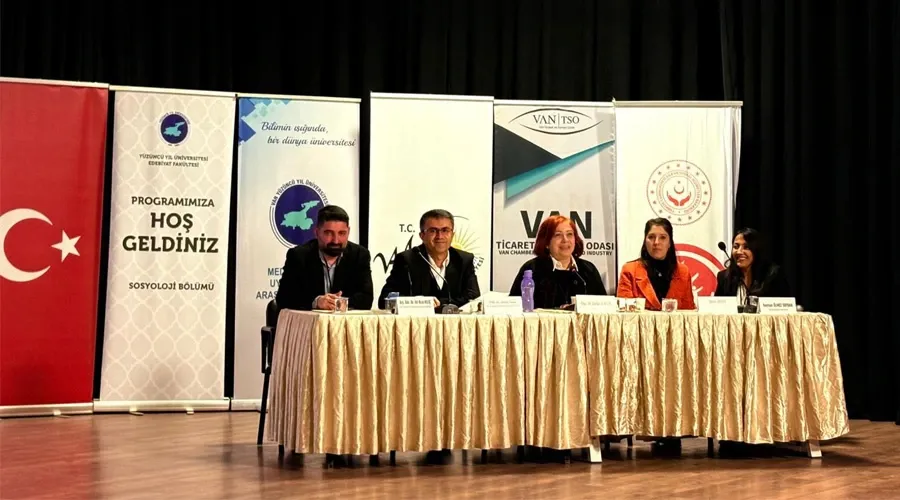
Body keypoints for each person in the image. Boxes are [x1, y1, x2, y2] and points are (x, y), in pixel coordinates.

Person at [378, 209, 481, 313]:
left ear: (452, 235)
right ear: (422, 236)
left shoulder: (464, 260)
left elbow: (473, 298)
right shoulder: (406, 260)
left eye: (445, 230)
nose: (440, 236)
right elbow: (385, 299)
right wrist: (419, 302)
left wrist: (440, 304)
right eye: (433, 231)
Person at [275, 205, 374, 311]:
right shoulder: (299, 256)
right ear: (317, 232)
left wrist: (337, 303)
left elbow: (366, 298)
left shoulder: (360, 255)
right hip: (311, 321)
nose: (336, 240)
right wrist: (316, 302)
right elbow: (284, 298)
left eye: (342, 233)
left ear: (348, 232)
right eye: (328, 233)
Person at [508, 215, 607, 308]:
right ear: (546, 242)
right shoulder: (532, 269)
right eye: (558, 235)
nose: (565, 240)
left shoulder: (588, 269)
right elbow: (514, 308)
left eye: (569, 234)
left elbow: (605, 307)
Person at [616, 217, 696, 311]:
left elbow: (689, 313)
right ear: (645, 242)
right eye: (651, 237)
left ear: (670, 243)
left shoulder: (683, 272)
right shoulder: (630, 270)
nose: (656, 242)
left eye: (663, 237)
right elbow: (624, 314)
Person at [714, 227, 792, 303]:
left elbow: (786, 307)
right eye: (736, 247)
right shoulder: (724, 277)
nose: (739, 252)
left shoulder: (772, 275)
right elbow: (716, 307)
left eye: (746, 247)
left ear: (756, 250)